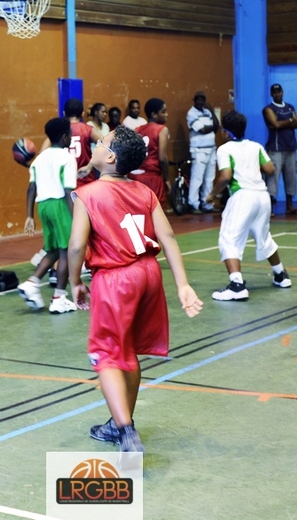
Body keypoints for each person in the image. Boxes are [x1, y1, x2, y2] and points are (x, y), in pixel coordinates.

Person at [68, 125, 203, 454]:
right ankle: (117, 423)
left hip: (117, 278)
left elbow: (76, 246)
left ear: (111, 158)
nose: (96, 146)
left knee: (106, 355)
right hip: (149, 273)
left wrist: (74, 282)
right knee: (126, 351)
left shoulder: (89, 194)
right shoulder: (144, 191)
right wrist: (183, 284)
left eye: (101, 143)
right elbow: (168, 237)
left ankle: (126, 432)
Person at [205, 110, 293, 300]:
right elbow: (270, 169)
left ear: (226, 132)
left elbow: (225, 176)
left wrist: (212, 194)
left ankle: (237, 285)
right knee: (264, 237)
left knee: (229, 239)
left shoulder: (224, 149)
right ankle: (281, 274)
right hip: (262, 197)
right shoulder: (256, 146)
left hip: (243, 197)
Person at [17, 117, 79, 314]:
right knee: (66, 251)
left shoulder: (39, 159)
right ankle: (59, 297)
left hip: (42, 206)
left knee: (53, 249)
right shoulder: (67, 158)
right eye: (70, 133)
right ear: (65, 136)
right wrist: (77, 218)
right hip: (60, 205)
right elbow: (69, 191)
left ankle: (32, 283)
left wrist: (29, 216)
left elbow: (31, 188)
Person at [263, 83, 297, 215]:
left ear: (283, 92)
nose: (277, 94)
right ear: (271, 94)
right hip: (276, 148)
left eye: (279, 92)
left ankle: (290, 206)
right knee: (273, 178)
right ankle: (269, 207)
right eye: (275, 92)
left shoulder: (290, 107)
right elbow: (275, 124)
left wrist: (283, 123)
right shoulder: (268, 109)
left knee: (291, 177)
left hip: (290, 147)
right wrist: (290, 121)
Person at [186, 91, 220, 214]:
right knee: (197, 178)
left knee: (209, 179)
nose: (200, 102)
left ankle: (207, 204)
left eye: (202, 99)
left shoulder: (207, 112)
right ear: (194, 100)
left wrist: (212, 111)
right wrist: (213, 127)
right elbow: (203, 130)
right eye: (198, 99)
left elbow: (217, 126)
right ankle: (193, 204)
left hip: (211, 149)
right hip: (198, 150)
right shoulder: (191, 113)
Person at [132, 98, 170, 205]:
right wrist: (167, 179)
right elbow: (162, 158)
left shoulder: (137, 129)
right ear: (154, 114)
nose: (166, 114)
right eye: (163, 111)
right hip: (152, 177)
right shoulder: (162, 129)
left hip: (135, 177)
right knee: (155, 211)